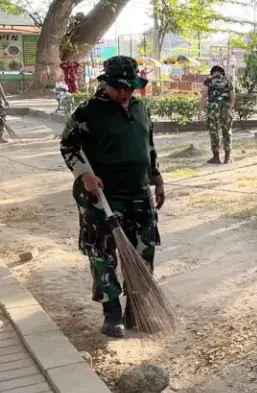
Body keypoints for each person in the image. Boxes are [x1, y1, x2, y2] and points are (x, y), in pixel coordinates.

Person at [60, 56, 165, 338]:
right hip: (102, 197)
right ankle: (112, 312)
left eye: (131, 88)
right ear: (106, 84)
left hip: (139, 195)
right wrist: (84, 175)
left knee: (144, 251)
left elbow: (149, 146)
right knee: (103, 254)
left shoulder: (140, 109)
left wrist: (156, 178)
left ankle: (136, 308)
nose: (126, 93)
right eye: (120, 88)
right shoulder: (88, 112)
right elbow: (67, 145)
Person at [199, 65, 235, 164]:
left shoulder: (208, 80)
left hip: (213, 108)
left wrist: (201, 110)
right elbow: (232, 97)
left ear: (212, 72)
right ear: (222, 72)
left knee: (214, 132)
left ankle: (216, 158)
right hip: (226, 108)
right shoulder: (227, 80)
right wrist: (230, 108)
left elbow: (204, 95)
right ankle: (227, 158)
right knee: (227, 132)